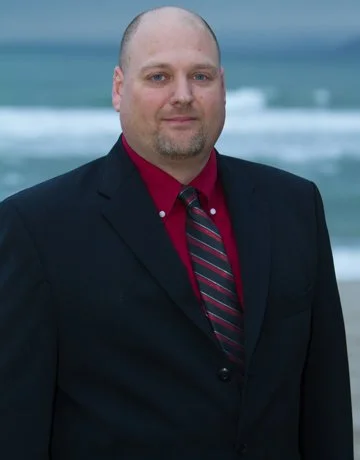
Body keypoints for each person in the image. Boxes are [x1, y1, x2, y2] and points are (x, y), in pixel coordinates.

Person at [0, 6, 353, 460]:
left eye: (200, 76)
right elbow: (15, 427)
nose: (182, 95)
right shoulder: (35, 228)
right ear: (119, 89)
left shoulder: (295, 205)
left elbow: (325, 400)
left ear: (223, 87)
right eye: (159, 77)